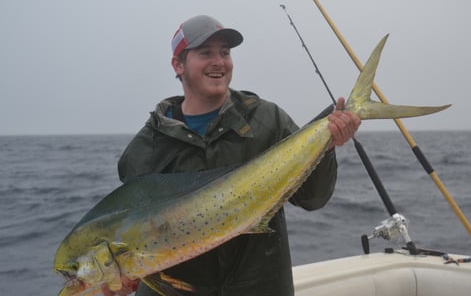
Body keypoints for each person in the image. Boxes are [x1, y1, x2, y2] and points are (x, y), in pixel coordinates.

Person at [117, 15, 361, 296]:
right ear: (178, 64)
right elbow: (135, 240)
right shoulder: (145, 149)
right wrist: (125, 278)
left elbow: (312, 198)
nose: (219, 61)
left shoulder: (267, 120)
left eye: (225, 52)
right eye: (205, 53)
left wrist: (327, 149)